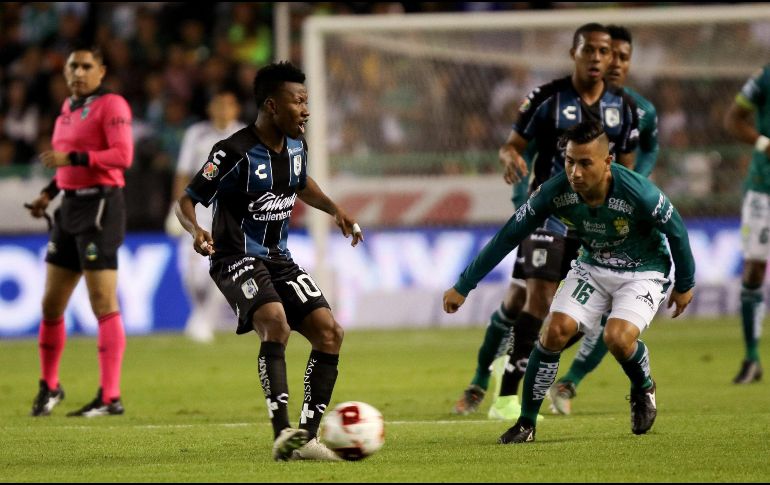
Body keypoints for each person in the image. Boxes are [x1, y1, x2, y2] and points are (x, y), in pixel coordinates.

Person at [444, 120, 695, 444]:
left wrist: (685, 283)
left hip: (644, 271)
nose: (575, 172)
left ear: (607, 163)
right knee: (553, 331)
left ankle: (643, 386)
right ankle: (526, 423)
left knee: (617, 338)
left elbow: (676, 230)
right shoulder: (555, 192)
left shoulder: (638, 192)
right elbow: (509, 235)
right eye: (570, 161)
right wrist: (464, 284)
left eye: (585, 163)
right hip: (591, 267)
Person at [174, 61, 363, 461]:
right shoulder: (233, 152)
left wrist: (335, 210)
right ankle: (282, 433)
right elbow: (186, 198)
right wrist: (196, 230)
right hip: (235, 257)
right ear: (272, 106)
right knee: (275, 321)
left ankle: (306, 438)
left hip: (280, 258)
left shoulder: (297, 145)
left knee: (330, 333)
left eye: (307, 101)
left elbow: (300, 182)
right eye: (298, 101)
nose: (306, 110)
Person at [454, 23, 640, 420]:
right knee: (534, 299)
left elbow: (628, 170)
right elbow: (512, 145)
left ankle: (521, 364)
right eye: (587, 49)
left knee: (576, 318)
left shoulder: (623, 108)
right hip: (549, 212)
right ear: (573, 52)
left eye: (603, 51)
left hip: (595, 222)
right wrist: (510, 159)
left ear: (610, 58)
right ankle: (505, 397)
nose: (596, 57)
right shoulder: (546, 98)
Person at [548, 24, 661, 415]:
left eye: (621, 56)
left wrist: (635, 184)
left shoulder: (639, 110)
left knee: (610, 319)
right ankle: (515, 368)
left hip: (618, 222)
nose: (612, 62)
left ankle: (568, 383)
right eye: (607, 53)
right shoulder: (574, 102)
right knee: (550, 308)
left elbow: (647, 152)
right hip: (571, 216)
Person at [25, 45, 133, 417]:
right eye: (73, 66)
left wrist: (72, 159)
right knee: (50, 304)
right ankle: (50, 386)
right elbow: (65, 167)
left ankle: (110, 396)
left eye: (87, 66)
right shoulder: (66, 110)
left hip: (101, 206)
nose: (78, 72)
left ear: (101, 72)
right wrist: (47, 194)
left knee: (102, 301)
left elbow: (123, 156)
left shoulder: (112, 105)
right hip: (69, 206)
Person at [165, 90, 246, 343]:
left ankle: (205, 320)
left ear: (236, 110)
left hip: (231, 208)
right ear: (210, 109)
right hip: (198, 207)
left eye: (228, 105)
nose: (223, 110)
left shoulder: (246, 135)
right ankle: (199, 314)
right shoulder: (196, 134)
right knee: (191, 272)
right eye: (218, 105)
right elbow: (183, 172)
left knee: (223, 265)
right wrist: (175, 207)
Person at [723, 62, 770, 384]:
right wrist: (764, 143)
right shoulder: (766, 78)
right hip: (762, 187)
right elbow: (733, 119)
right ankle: (752, 357)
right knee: (754, 268)